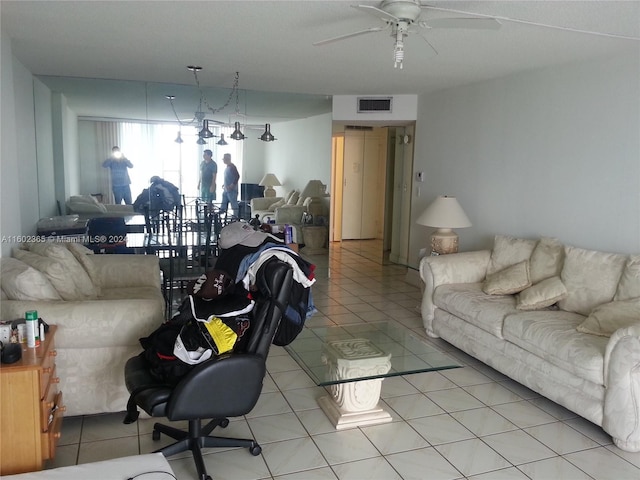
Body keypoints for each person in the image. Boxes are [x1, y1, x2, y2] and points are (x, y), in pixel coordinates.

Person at [219, 153, 240, 218]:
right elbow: (228, 177)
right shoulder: (227, 167)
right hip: (226, 189)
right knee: (223, 203)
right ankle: (221, 214)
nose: (223, 160)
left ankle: (235, 217)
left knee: (234, 205)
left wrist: (232, 185)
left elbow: (237, 176)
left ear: (227, 159)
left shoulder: (232, 167)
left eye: (224, 159)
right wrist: (224, 184)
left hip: (232, 190)